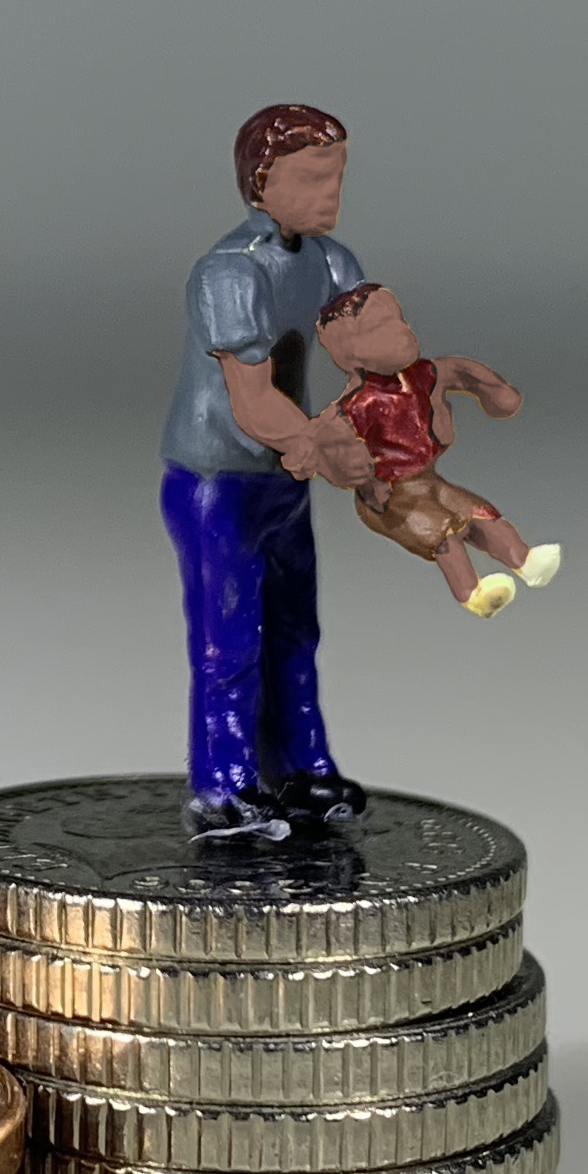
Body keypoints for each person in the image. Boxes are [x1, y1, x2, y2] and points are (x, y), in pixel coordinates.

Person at [161, 104, 377, 843]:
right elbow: (253, 404)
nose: (330, 192)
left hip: (287, 479)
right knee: (229, 641)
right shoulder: (230, 272)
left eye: (337, 174)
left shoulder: (331, 262)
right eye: (312, 176)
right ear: (261, 183)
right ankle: (223, 784)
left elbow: (367, 363)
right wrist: (330, 445)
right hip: (219, 481)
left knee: (294, 629)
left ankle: (303, 769)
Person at [314, 282, 563, 615]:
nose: (401, 332)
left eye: (398, 321)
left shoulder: (423, 375)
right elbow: (326, 442)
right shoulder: (358, 405)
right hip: (389, 494)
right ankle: (473, 593)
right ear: (351, 355)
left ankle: (526, 562)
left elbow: (461, 372)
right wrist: (352, 471)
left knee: (477, 511)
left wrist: (496, 392)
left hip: (428, 480)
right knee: (441, 529)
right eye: (382, 330)